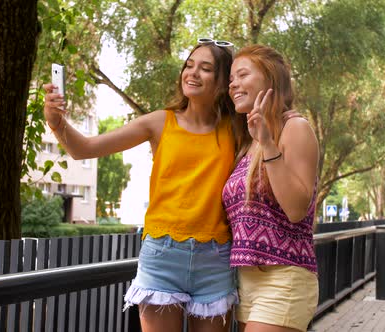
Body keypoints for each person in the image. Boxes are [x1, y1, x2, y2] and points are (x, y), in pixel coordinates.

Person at [43, 39, 243, 332]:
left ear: (224, 82)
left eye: (206, 68)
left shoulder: (237, 128)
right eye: (189, 65)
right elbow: (84, 149)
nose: (193, 73)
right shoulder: (160, 122)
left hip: (216, 260)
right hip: (162, 256)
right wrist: (56, 123)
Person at [222, 45, 320, 332]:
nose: (233, 85)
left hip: (285, 277)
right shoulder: (248, 140)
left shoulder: (295, 128)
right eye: (231, 79)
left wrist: (267, 144)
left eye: (242, 75)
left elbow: (295, 209)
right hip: (247, 279)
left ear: (270, 79)